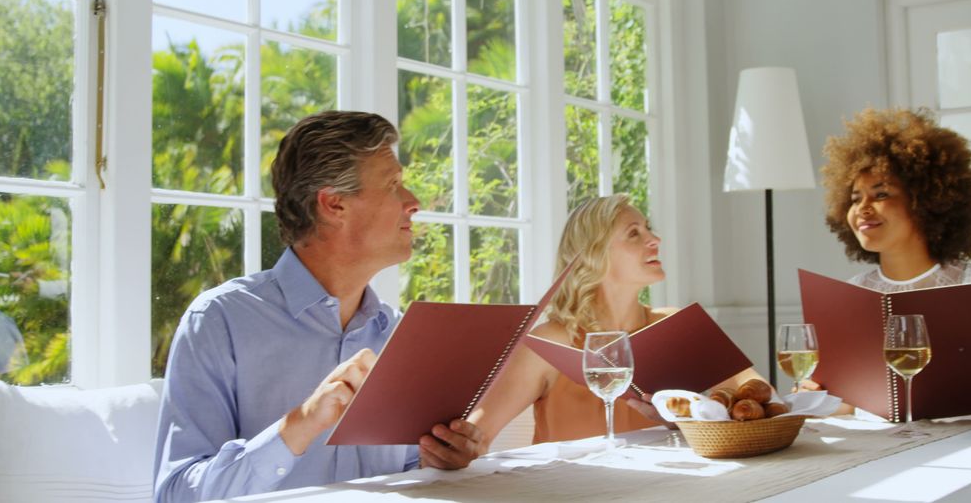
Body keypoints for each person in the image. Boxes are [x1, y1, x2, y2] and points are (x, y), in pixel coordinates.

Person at [153, 111, 481, 502]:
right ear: (333, 204)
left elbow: (405, 475)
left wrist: (438, 461)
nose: (413, 203)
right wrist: (300, 425)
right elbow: (176, 495)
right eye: (393, 185)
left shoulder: (398, 334)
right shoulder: (220, 321)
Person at [467, 194, 766, 450]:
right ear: (592, 254)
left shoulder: (676, 327)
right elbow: (475, 436)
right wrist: (454, 452)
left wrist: (690, 417)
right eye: (634, 233)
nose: (655, 240)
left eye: (648, 229)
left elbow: (760, 395)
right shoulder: (549, 342)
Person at [818, 107, 971, 422]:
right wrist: (815, 399)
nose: (863, 208)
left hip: (968, 448)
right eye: (854, 198)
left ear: (926, 201)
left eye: (880, 194)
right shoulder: (852, 294)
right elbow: (844, 402)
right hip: (880, 453)